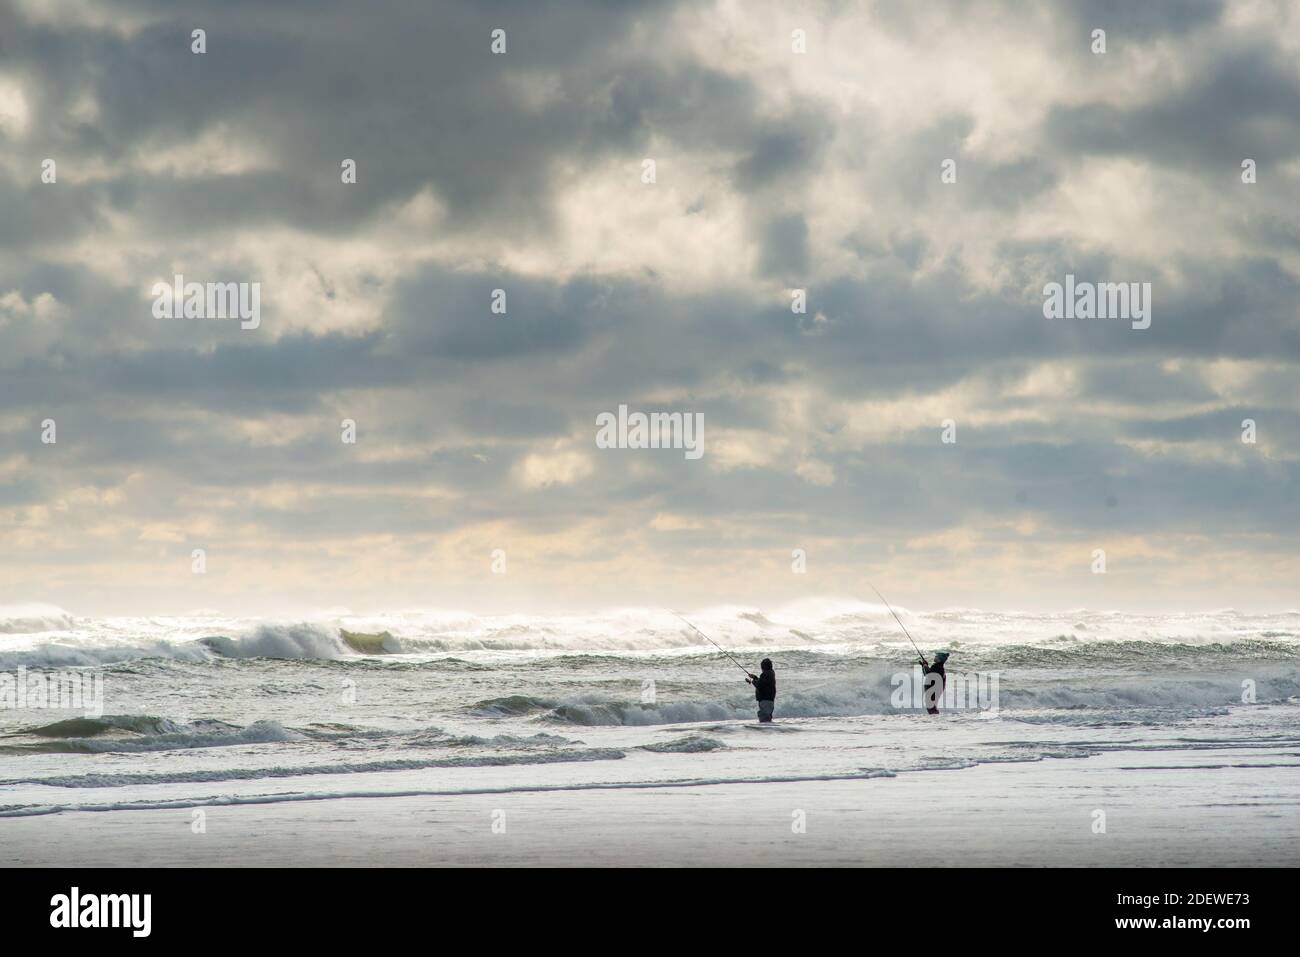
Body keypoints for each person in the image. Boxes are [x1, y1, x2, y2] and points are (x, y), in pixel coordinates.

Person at [920, 650, 950, 715]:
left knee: (930, 705)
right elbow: (927, 674)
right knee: (931, 705)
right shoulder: (937, 666)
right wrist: (924, 666)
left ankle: (935, 717)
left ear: (939, 659)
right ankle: (934, 717)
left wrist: (925, 666)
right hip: (934, 690)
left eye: (936, 656)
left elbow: (928, 674)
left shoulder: (938, 667)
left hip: (934, 690)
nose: (935, 657)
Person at [747, 658, 776, 722]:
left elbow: (759, 685)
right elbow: (763, 683)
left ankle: (765, 731)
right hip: (769, 700)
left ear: (763, 667)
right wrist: (755, 677)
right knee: (767, 720)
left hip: (765, 700)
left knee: (764, 720)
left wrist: (753, 681)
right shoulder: (770, 673)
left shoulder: (765, 674)